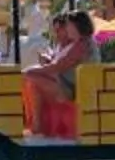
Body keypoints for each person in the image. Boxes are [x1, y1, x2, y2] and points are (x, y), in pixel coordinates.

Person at [21, 9, 93, 139]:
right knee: (33, 83)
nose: (67, 29)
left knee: (30, 76)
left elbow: (57, 67)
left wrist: (29, 71)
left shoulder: (82, 45)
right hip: (67, 85)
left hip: (72, 89)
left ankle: (37, 126)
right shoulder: (78, 43)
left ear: (77, 26)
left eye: (68, 25)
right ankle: (37, 125)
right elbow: (59, 65)